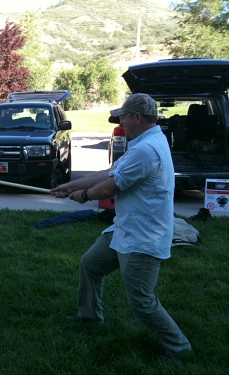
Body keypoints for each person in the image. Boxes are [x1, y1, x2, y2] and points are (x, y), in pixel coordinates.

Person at [51, 93, 192, 357]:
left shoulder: (146, 150)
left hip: (143, 235)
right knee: (91, 265)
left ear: (136, 117)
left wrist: (84, 196)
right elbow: (111, 172)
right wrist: (70, 186)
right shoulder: (146, 141)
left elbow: (113, 185)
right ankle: (89, 317)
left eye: (124, 117)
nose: (121, 122)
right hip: (125, 227)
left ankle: (180, 348)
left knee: (141, 299)